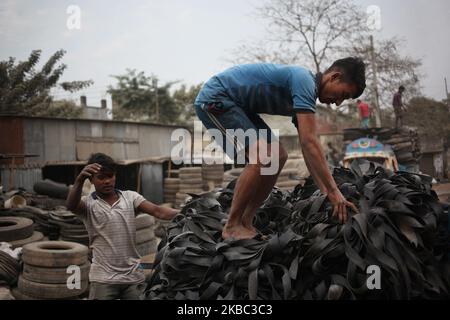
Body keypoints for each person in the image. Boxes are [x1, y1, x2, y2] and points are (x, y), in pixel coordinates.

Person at [194, 57, 365, 240]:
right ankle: (232, 225)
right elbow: (310, 141)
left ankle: (246, 221)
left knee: (278, 156)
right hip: (217, 98)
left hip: (241, 108)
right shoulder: (304, 80)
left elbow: (308, 149)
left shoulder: (305, 95)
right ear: (334, 77)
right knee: (262, 156)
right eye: (343, 95)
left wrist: (326, 192)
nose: (338, 103)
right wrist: (333, 191)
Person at [66, 153, 178, 300]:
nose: (107, 181)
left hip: (132, 278)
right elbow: (71, 205)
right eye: (101, 177)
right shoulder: (88, 204)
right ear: (91, 180)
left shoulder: (130, 197)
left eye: (110, 176)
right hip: (103, 279)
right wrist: (79, 180)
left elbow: (158, 211)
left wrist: (188, 210)